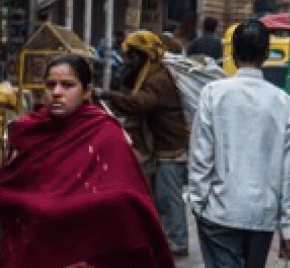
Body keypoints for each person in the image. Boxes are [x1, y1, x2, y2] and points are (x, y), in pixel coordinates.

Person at [0, 54, 174, 268]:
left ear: (86, 92)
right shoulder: (28, 129)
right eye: (50, 85)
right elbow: (15, 181)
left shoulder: (105, 130)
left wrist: (64, 205)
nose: (56, 92)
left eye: (67, 85)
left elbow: (127, 193)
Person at [188, 20, 290, 268]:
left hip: (219, 211)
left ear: (233, 54)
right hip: (261, 216)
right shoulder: (283, 102)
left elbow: (201, 156)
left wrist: (197, 202)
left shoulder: (213, 94)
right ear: (266, 55)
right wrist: (288, 228)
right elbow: (288, 172)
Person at [99, 30, 191, 257]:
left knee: (169, 198)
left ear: (144, 56)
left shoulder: (158, 79)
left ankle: (177, 241)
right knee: (160, 197)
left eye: (132, 56)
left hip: (171, 148)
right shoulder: (149, 74)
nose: (128, 61)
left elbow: (141, 104)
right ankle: (164, 237)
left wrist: (106, 94)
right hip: (160, 147)